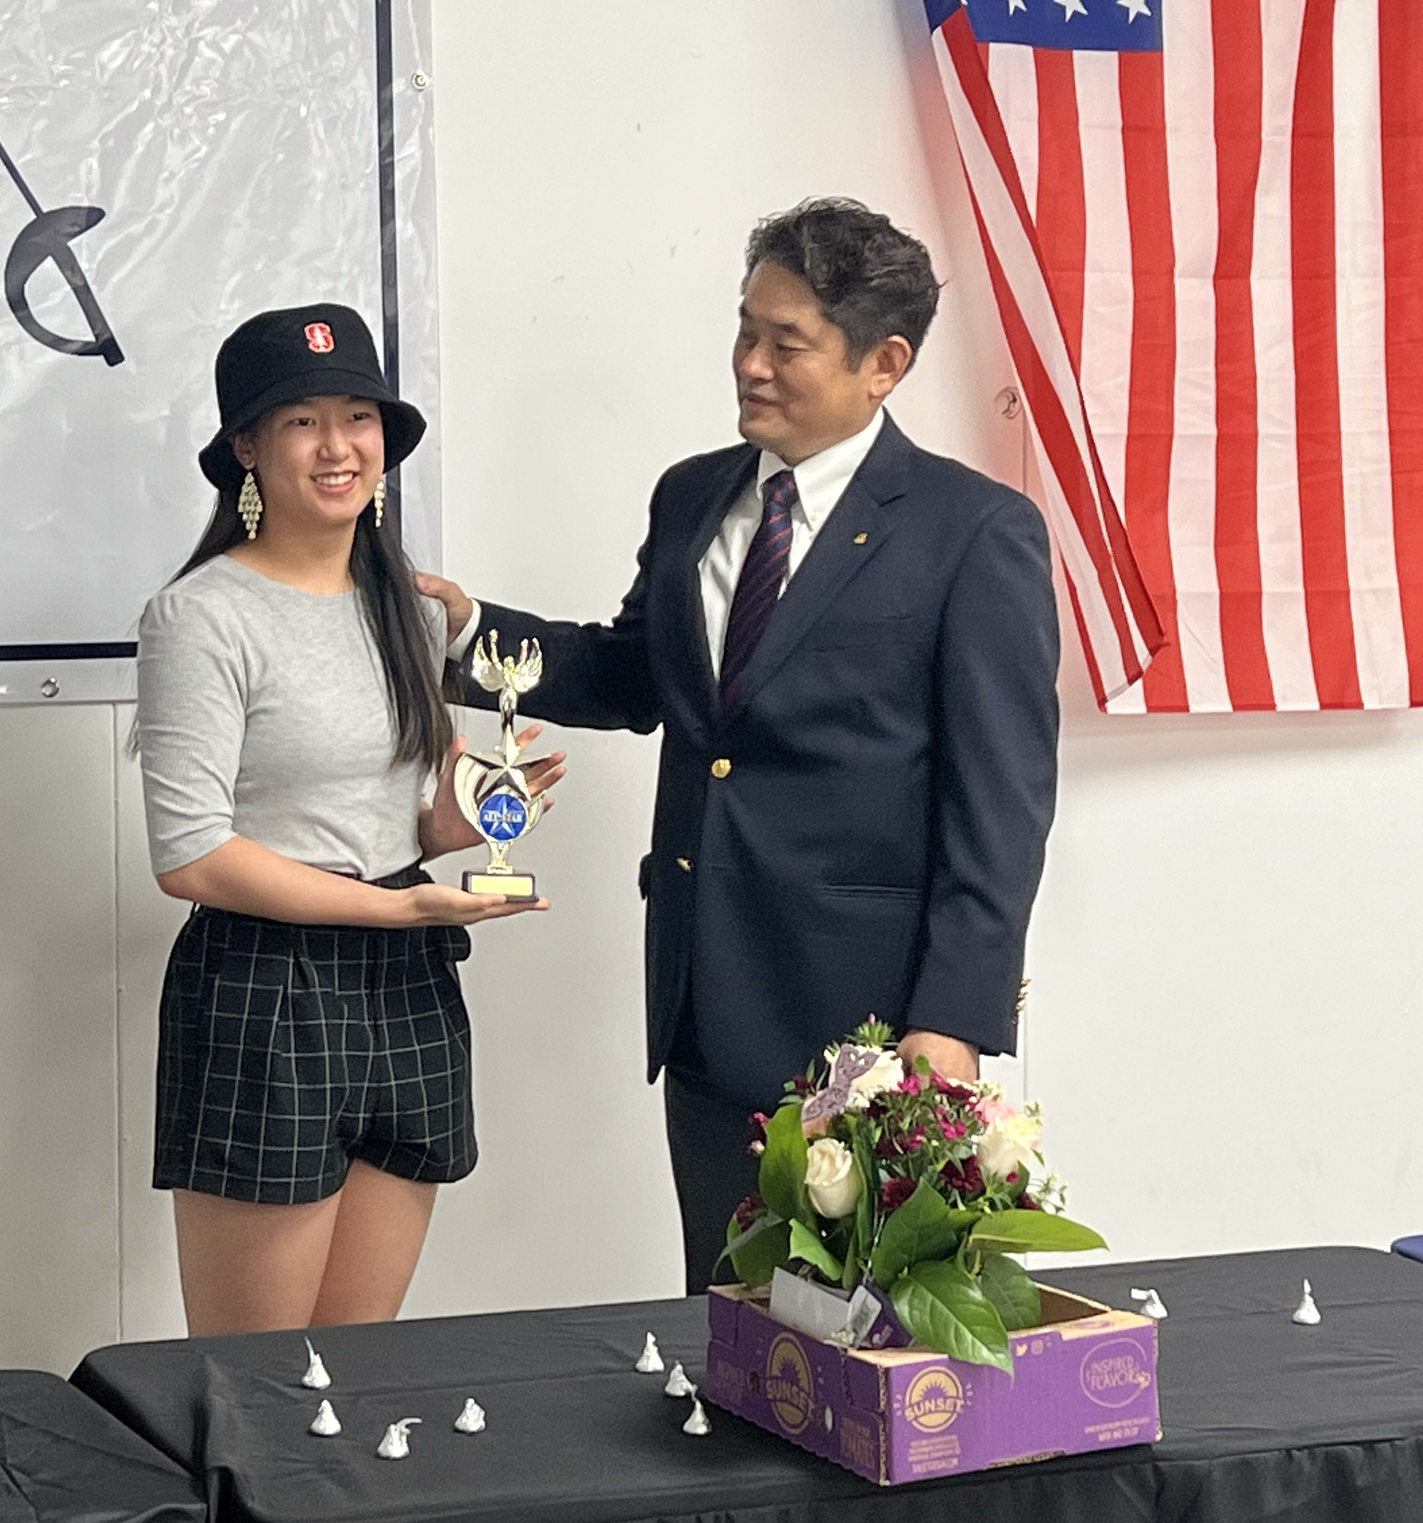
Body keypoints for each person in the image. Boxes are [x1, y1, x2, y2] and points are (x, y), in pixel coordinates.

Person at [418, 200, 1060, 1292]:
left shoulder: (974, 533)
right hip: (706, 997)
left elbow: (1001, 804)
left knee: (862, 1350)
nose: (749, 364)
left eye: (786, 343)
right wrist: (467, 634)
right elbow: (635, 675)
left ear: (883, 364)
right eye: (744, 329)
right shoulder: (693, 497)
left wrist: (952, 1019)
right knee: (727, 1321)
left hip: (869, 1031)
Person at [137, 302, 556, 1336]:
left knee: (357, 1368)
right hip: (265, 988)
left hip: (405, 986)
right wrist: (394, 910)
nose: (339, 447)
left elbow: (385, 817)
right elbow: (189, 854)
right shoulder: (200, 616)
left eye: (358, 417)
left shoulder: (411, 608)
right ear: (247, 447)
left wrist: (450, 828)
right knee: (255, 1383)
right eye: (300, 421)